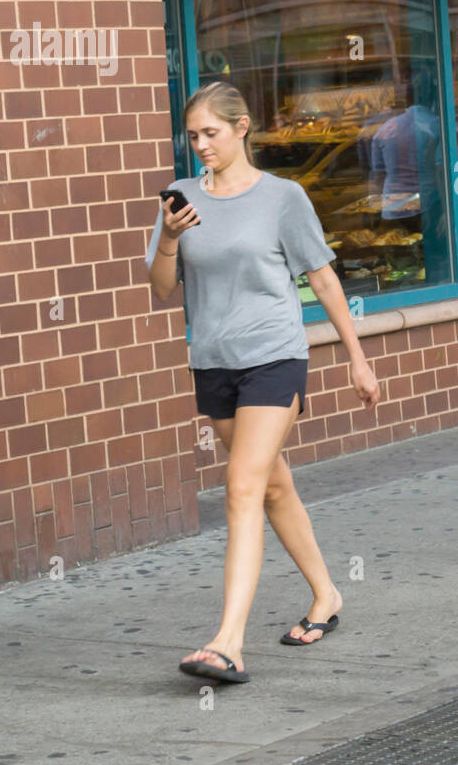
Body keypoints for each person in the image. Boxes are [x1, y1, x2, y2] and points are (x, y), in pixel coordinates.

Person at [146, 82, 382, 683]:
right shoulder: (181, 199)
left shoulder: (283, 197)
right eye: (193, 135)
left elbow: (324, 280)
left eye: (211, 134)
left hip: (275, 356)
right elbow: (162, 287)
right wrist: (170, 237)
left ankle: (227, 641)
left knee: (241, 487)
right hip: (214, 362)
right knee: (273, 487)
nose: (201, 146)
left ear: (242, 127)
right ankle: (328, 594)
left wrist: (357, 357)